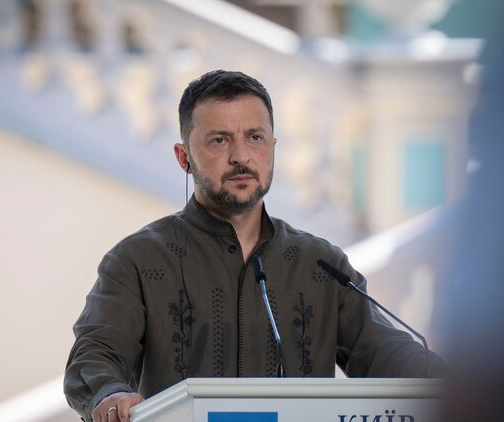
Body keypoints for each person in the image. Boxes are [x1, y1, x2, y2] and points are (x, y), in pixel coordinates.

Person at [64, 70, 443, 422]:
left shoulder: (321, 265)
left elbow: (382, 351)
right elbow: (95, 355)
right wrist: (110, 394)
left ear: (272, 147)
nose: (241, 156)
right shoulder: (137, 261)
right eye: (219, 140)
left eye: (255, 138)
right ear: (184, 158)